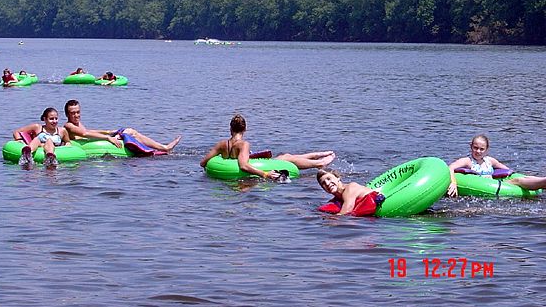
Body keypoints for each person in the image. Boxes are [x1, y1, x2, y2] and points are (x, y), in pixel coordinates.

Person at [200, 114, 335, 180]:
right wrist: (265, 174)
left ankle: (317, 155)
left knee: (285, 156)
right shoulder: (244, 144)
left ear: (230, 129)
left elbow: (203, 163)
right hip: (245, 177)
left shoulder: (221, 144)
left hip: (230, 166)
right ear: (245, 129)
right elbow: (243, 165)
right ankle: (319, 163)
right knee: (287, 159)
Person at [63, 99, 182, 153]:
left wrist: (108, 131)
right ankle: (164, 148)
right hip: (89, 146)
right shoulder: (68, 125)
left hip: (94, 141)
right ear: (67, 114)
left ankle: (162, 147)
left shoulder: (77, 123)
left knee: (130, 130)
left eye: (78, 112)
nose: (76, 115)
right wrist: (108, 137)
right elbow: (85, 134)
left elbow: (87, 130)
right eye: (73, 113)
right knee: (130, 132)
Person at [447, 134, 546, 196]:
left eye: (482, 149)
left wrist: (511, 175)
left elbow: (508, 171)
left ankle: (542, 181)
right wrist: (454, 182)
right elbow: (450, 168)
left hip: (494, 185)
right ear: (471, 147)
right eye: (475, 148)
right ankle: (543, 182)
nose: (478, 151)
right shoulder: (467, 161)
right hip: (483, 186)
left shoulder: (490, 160)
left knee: (519, 179)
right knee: (518, 181)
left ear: (487, 149)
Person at [317, 169, 382, 215]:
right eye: (323, 183)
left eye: (329, 179)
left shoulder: (350, 189)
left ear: (337, 177)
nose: (327, 183)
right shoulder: (336, 200)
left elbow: (346, 211)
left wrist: (331, 222)